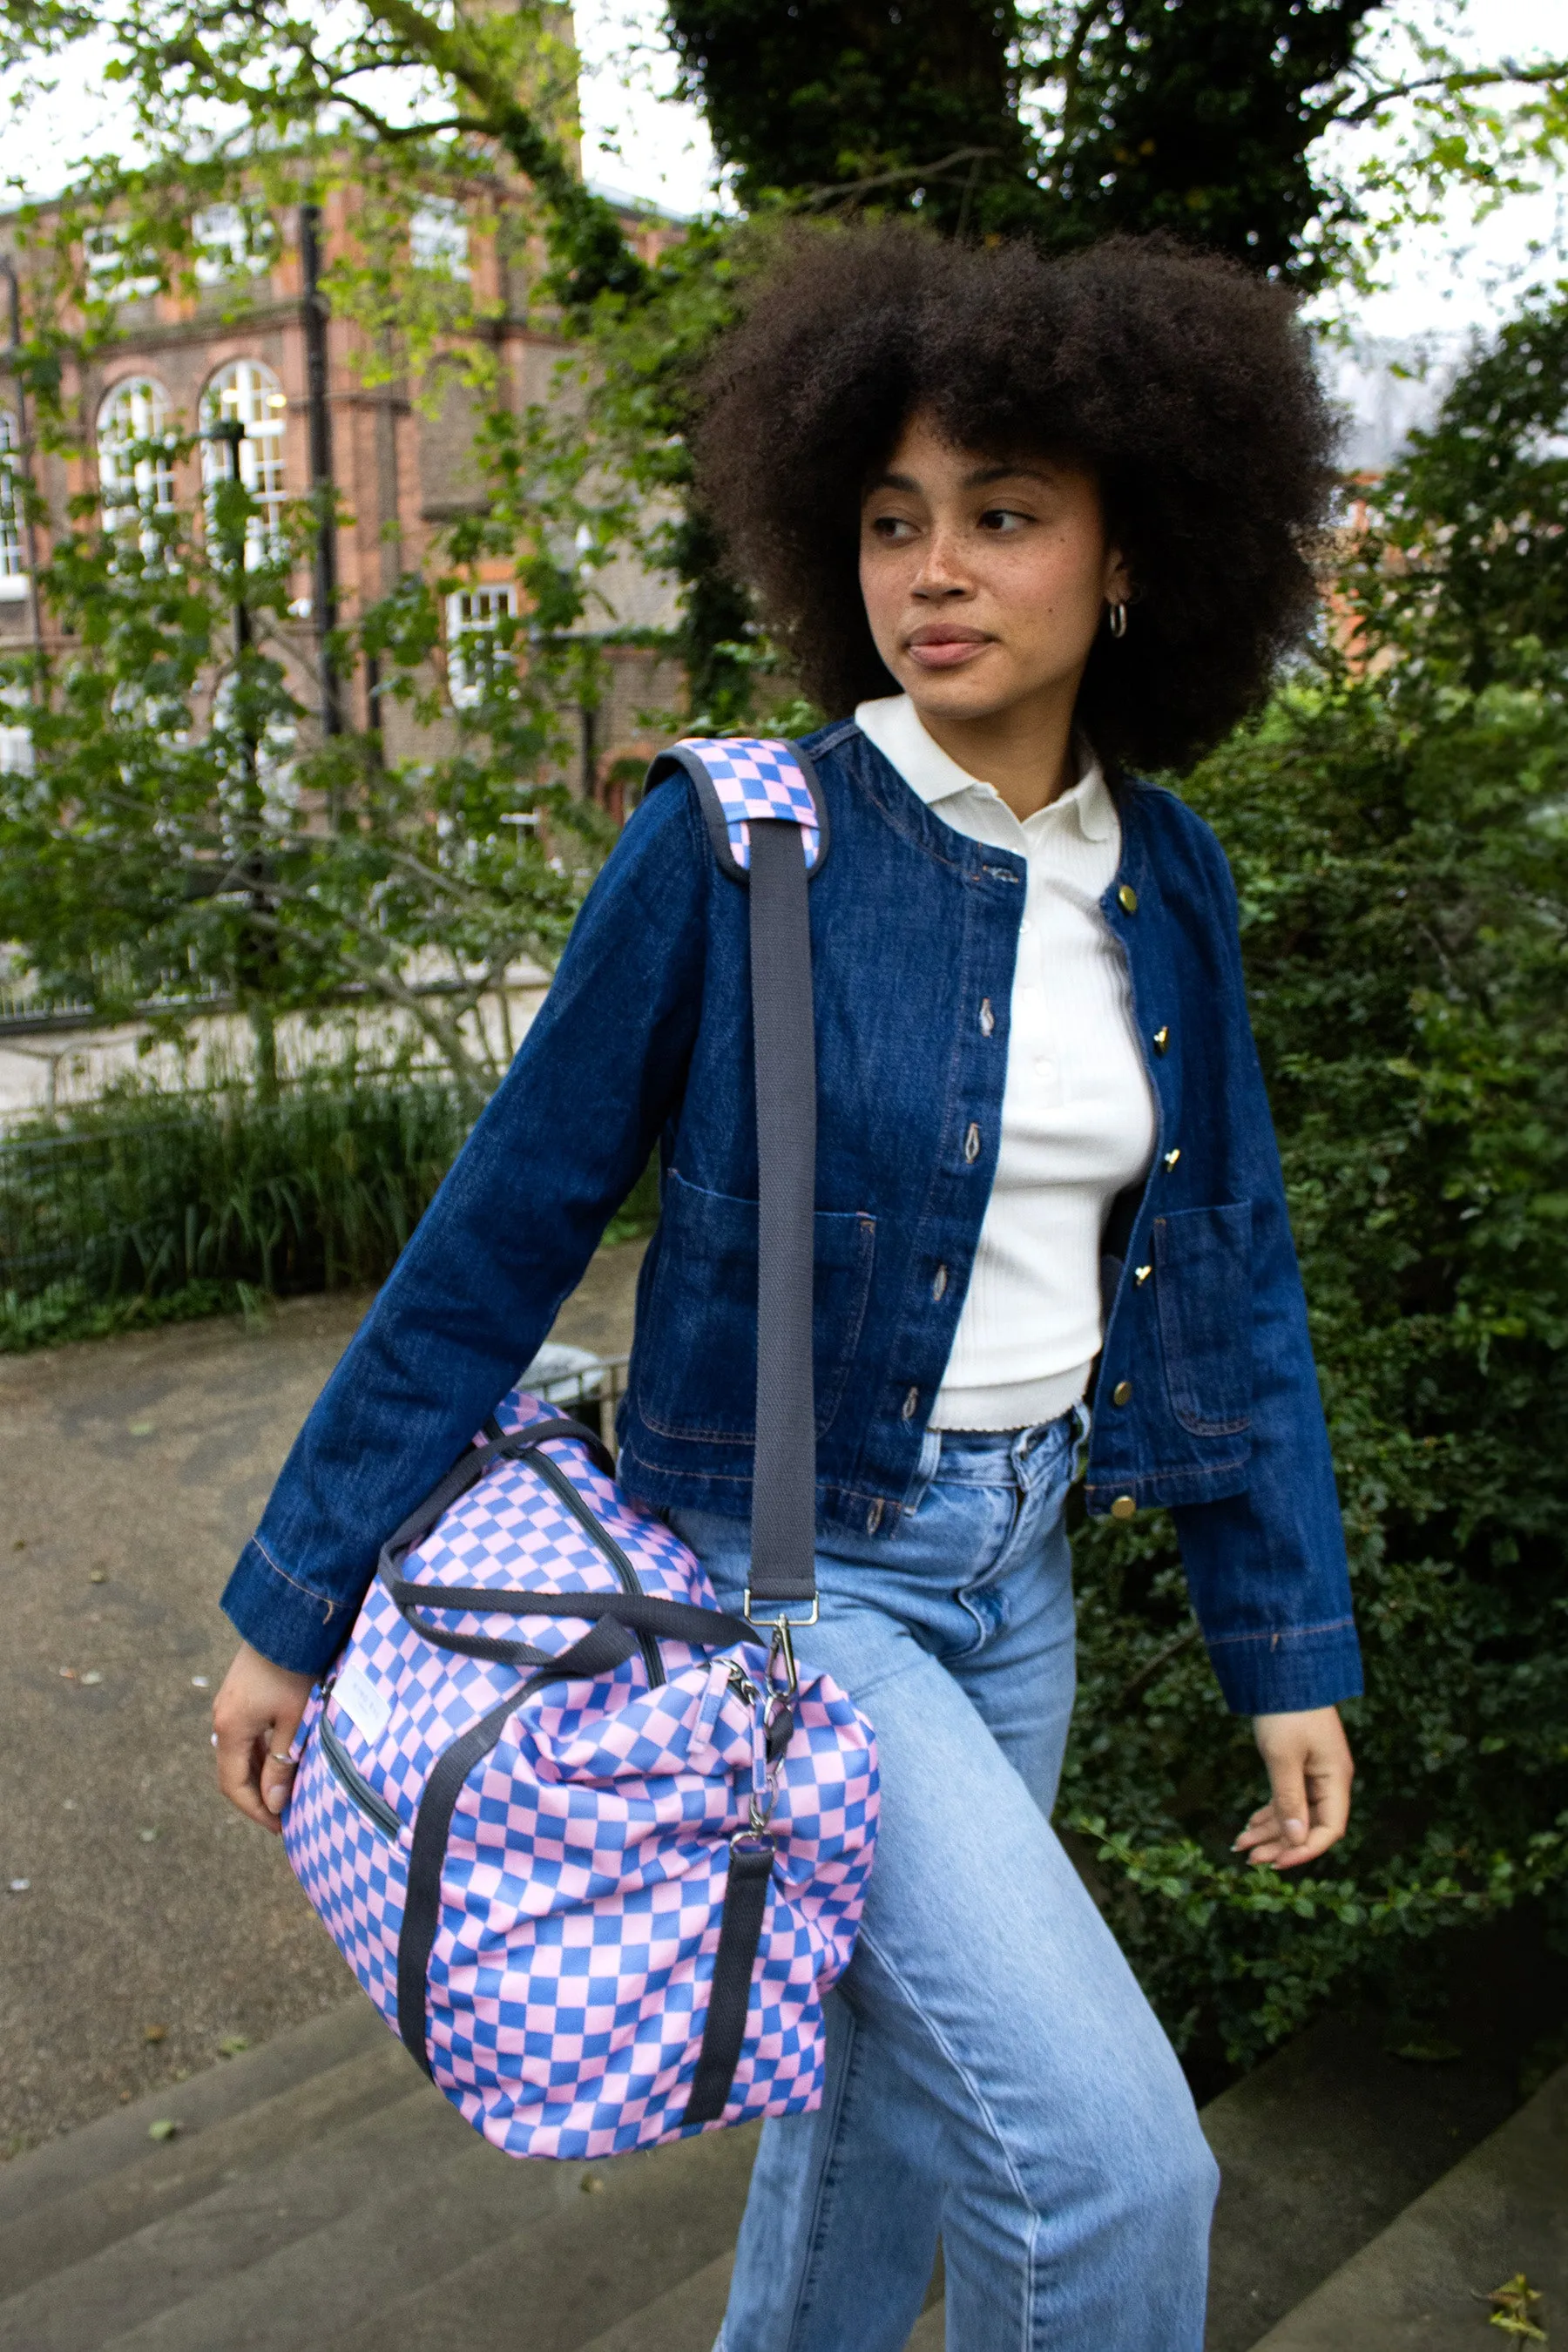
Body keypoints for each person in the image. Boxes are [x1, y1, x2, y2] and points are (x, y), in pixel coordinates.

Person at [213, 225, 1361, 2352]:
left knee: (885, 2130)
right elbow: (500, 1231)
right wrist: (298, 1595)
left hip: (1016, 1592)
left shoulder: (1168, 871)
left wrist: (1280, 1637)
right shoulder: (746, 846)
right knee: (1117, 2174)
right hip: (794, 1588)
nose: (935, 569)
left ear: (1132, 561)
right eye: (891, 521)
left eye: (1004, 518)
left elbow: (1226, 1266)